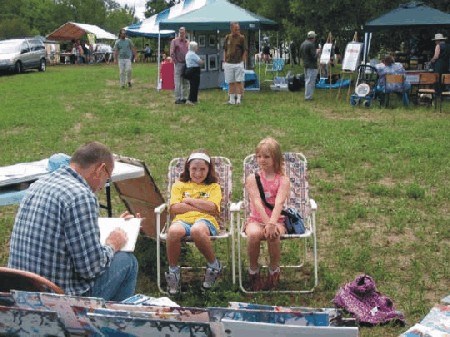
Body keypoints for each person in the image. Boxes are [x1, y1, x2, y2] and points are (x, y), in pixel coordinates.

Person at [8, 142, 139, 301]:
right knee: (127, 262)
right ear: (100, 169)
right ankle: (112, 322)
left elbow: (66, 230)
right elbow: (91, 269)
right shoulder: (81, 196)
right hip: (56, 299)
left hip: (20, 290)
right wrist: (113, 244)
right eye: (107, 179)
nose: (103, 187)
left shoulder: (40, 184)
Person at [165, 150, 222, 294]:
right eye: (194, 169)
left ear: (209, 170)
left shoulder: (213, 187)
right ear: (188, 169)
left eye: (203, 169)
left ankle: (214, 265)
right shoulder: (179, 185)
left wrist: (189, 200)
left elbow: (213, 208)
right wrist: (202, 204)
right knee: (173, 232)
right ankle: (173, 272)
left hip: (206, 221)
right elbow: (174, 208)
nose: (198, 173)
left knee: (197, 230)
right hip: (182, 220)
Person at [244, 137, 290, 291]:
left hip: (277, 219)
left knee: (274, 234)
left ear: (276, 158)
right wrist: (266, 223)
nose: (262, 160)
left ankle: (274, 269)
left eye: (266, 156)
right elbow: (257, 201)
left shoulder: (283, 180)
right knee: (253, 235)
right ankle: (253, 270)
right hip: (256, 220)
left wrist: (271, 224)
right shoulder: (253, 178)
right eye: (259, 156)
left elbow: (279, 203)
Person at [223, 22, 247, 105]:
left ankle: (239, 100)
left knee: (238, 81)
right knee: (231, 82)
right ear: (231, 29)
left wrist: (242, 61)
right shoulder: (227, 37)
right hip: (228, 63)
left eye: (238, 29)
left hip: (238, 63)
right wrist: (224, 60)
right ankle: (232, 100)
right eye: (236, 29)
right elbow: (225, 50)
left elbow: (245, 50)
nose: (238, 30)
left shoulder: (242, 38)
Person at [170, 27, 190, 104]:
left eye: (183, 32)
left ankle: (184, 98)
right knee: (178, 81)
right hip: (179, 63)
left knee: (185, 81)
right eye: (180, 32)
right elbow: (172, 52)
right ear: (178, 33)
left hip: (186, 64)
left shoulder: (187, 42)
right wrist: (176, 62)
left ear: (185, 33)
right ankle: (177, 98)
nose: (182, 34)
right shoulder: (174, 41)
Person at [299, 31, 321, 100]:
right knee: (310, 82)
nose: (315, 38)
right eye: (315, 37)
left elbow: (301, 55)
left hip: (305, 64)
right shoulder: (311, 44)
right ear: (313, 37)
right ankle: (308, 97)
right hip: (311, 65)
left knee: (307, 81)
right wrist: (317, 52)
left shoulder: (303, 43)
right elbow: (314, 57)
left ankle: (307, 96)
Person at [184, 41, 205, 105]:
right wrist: (203, 61)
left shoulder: (188, 53)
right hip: (194, 71)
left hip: (190, 70)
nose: (197, 48)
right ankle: (190, 100)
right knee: (194, 86)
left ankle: (194, 100)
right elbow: (200, 62)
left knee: (194, 85)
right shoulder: (193, 54)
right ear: (194, 47)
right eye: (196, 46)